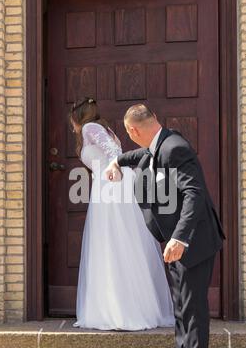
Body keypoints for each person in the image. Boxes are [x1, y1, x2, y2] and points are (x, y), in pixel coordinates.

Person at [106, 104, 226, 348]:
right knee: (182, 310)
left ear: (133, 131)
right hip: (177, 246)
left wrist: (180, 238)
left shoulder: (174, 148)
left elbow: (194, 193)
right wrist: (117, 162)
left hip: (192, 244)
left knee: (193, 310)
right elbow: (138, 156)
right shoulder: (157, 145)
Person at [69, 97, 175, 331]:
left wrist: (112, 168)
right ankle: (123, 306)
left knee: (111, 243)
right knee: (120, 243)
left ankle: (117, 311)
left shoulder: (90, 127)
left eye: (71, 121)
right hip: (108, 186)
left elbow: (114, 152)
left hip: (110, 187)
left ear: (78, 117)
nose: (71, 126)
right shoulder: (102, 128)